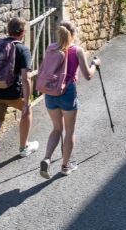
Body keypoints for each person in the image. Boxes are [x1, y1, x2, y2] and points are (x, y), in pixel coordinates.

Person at [0, 16, 38, 184]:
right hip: (14, 93)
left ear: (8, 30)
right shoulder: (22, 50)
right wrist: (27, 101)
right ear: (23, 32)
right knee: (27, 111)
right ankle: (24, 147)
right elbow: (26, 78)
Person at [39, 20, 100, 178]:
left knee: (56, 129)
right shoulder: (76, 50)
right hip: (67, 93)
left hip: (50, 92)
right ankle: (65, 166)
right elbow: (88, 75)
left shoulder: (51, 48)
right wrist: (95, 64)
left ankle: (47, 158)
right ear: (73, 35)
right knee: (69, 131)